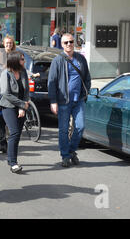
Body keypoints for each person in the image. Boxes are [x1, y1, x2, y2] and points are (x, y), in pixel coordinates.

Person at [47, 33, 91, 168]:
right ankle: (65, 156)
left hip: (79, 100)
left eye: (71, 42)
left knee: (80, 126)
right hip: (63, 101)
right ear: (61, 44)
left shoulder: (81, 59)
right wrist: (53, 101)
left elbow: (87, 78)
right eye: (66, 42)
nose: (69, 45)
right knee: (64, 130)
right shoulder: (57, 61)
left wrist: (85, 93)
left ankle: (71, 150)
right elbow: (52, 82)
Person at [0, 50, 30, 173]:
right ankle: (13, 163)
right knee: (14, 132)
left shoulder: (23, 72)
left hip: (22, 106)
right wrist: (21, 104)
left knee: (17, 135)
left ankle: (11, 158)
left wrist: (23, 107)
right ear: (15, 60)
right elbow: (6, 94)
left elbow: (26, 91)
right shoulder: (5, 74)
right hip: (8, 106)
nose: (24, 61)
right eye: (22, 59)